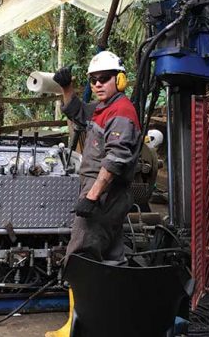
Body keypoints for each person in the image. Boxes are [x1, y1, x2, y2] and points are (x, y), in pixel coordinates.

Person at [53, 50, 141, 263]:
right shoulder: (104, 108)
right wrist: (66, 87)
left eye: (104, 78)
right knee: (111, 254)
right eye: (93, 80)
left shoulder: (120, 112)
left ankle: (83, 295)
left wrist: (92, 197)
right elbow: (78, 112)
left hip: (106, 192)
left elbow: (115, 160)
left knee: (82, 255)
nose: (98, 84)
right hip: (105, 191)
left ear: (120, 79)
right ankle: (113, 294)